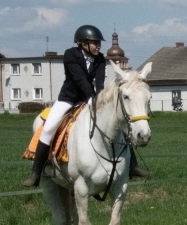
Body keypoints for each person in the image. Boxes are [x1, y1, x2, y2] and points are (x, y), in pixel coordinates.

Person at [23, 25, 148, 187]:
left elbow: (100, 81)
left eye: (98, 43)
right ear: (83, 44)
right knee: (48, 129)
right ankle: (36, 173)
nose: (98, 46)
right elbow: (79, 79)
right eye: (95, 43)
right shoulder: (70, 55)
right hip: (68, 99)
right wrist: (90, 97)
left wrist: (100, 99)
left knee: (118, 124)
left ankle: (133, 166)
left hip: (91, 98)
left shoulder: (100, 58)